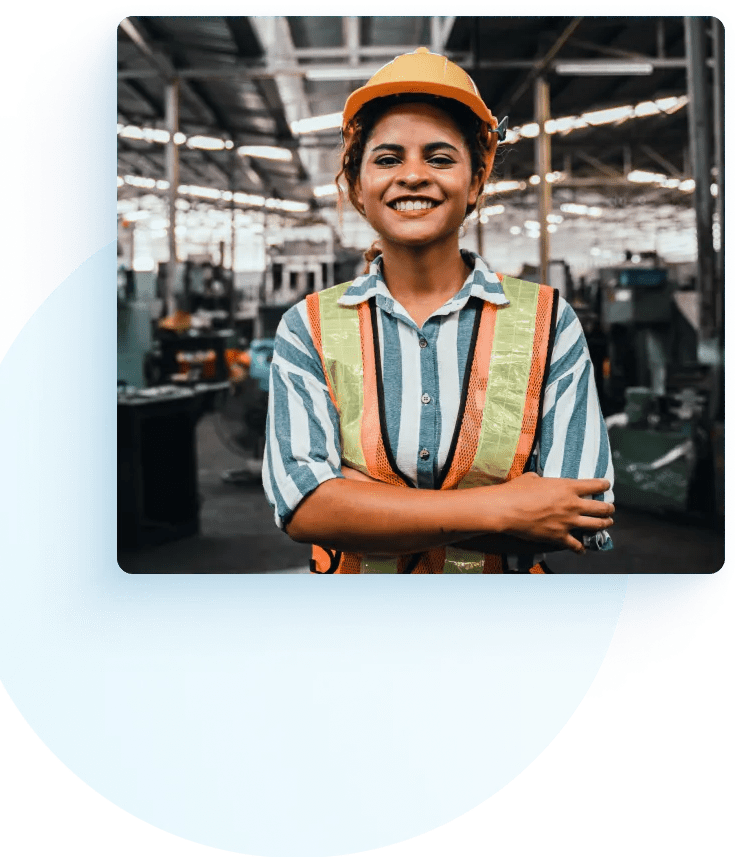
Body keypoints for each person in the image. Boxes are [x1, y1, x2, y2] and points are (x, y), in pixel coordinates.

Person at [263, 48, 614, 574]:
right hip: (357, 636)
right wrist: (505, 506)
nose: (412, 176)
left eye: (440, 158)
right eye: (387, 159)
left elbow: (580, 516)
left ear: (475, 181)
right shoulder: (308, 327)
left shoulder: (548, 321)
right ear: (358, 186)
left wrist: (359, 500)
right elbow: (304, 507)